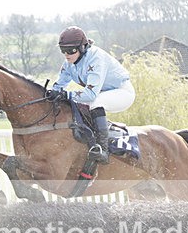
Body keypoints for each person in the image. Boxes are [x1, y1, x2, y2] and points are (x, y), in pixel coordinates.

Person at [46, 26, 136, 163]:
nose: (66, 54)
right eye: (63, 50)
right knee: (76, 104)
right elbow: (58, 86)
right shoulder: (68, 63)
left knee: (95, 102)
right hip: (103, 93)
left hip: (123, 92)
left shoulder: (96, 58)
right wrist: (50, 94)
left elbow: (91, 94)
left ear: (82, 48)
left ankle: (103, 150)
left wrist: (66, 95)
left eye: (70, 50)